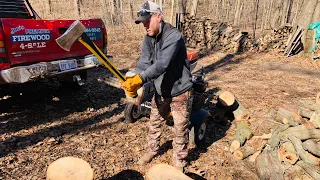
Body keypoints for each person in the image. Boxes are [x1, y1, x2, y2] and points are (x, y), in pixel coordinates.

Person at [121, 1, 193, 170]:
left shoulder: (173, 36)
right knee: (154, 122)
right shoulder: (147, 39)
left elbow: (162, 64)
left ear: (159, 16)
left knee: (180, 128)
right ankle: (152, 150)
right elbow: (144, 63)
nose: (145, 25)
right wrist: (134, 78)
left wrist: (140, 78)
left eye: (147, 20)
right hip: (161, 90)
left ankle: (179, 162)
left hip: (179, 90)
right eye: (142, 22)